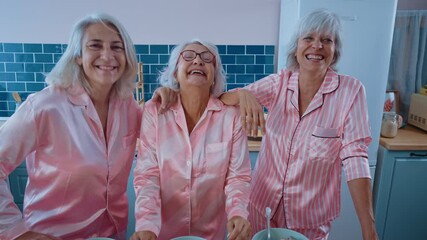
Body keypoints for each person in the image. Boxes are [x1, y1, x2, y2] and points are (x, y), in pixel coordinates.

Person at [219, 9, 378, 240]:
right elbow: (223, 99)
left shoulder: (351, 92)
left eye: (327, 40)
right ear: (297, 47)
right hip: (260, 210)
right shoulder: (280, 83)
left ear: (335, 51)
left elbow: (356, 158)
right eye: (309, 38)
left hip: (309, 221)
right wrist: (243, 93)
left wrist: (369, 229)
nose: (317, 46)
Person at [0, 13, 141, 239]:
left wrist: (213, 98)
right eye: (95, 46)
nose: (108, 56)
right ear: (78, 56)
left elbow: (166, 126)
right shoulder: (45, 106)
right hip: (54, 236)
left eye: (117, 47)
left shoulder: (127, 105)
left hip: (112, 234)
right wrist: (14, 231)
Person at [131, 39, 252, 240]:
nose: (197, 60)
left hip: (211, 234)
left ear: (214, 76)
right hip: (161, 233)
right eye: (188, 56)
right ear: (175, 73)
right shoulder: (155, 112)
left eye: (207, 58)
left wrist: (238, 213)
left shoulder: (231, 117)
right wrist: (146, 224)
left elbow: (238, 177)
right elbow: (147, 175)